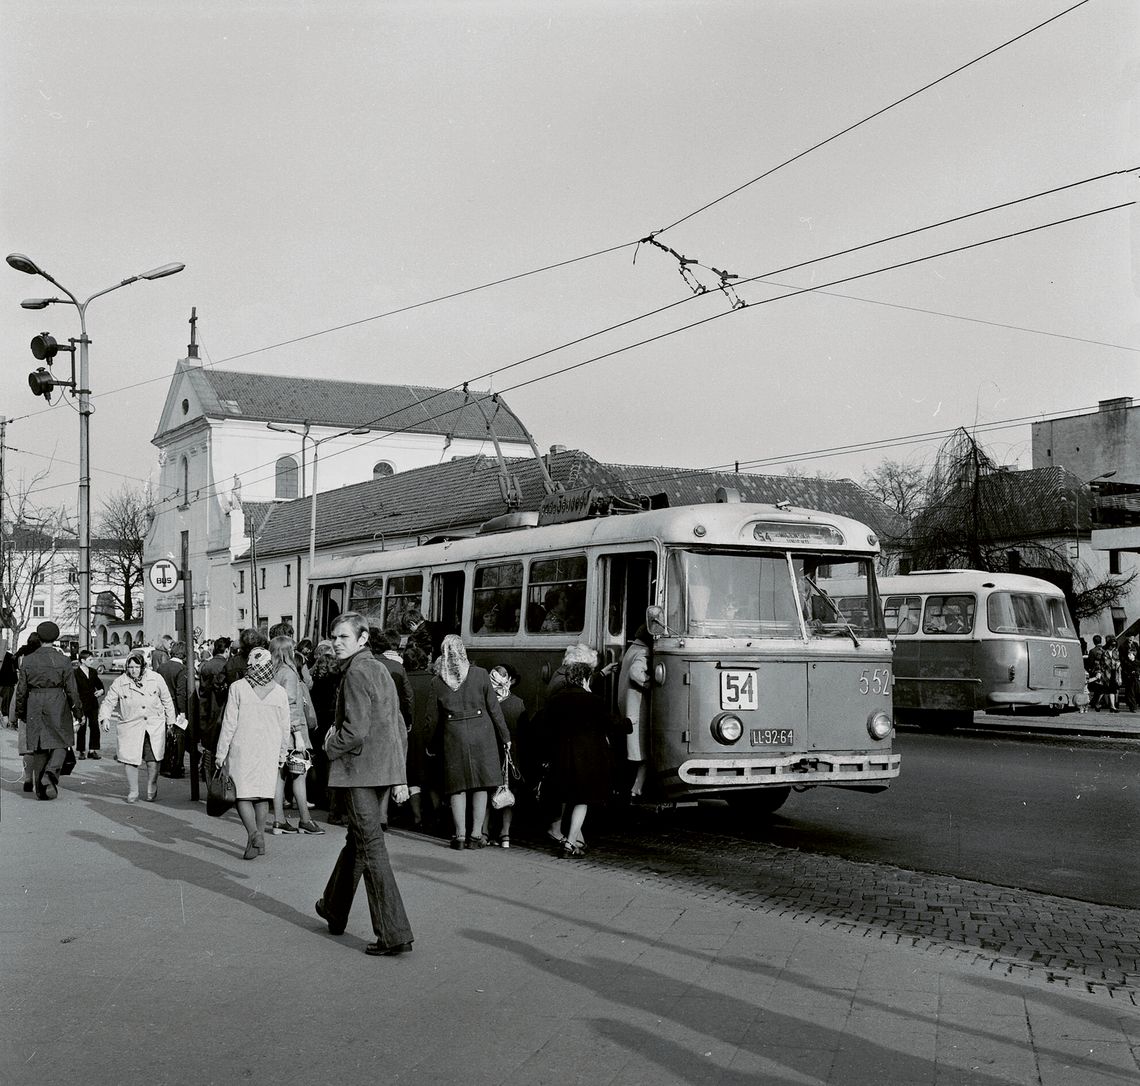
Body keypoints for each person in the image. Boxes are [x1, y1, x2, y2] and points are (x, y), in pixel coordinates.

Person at [316, 612, 414, 957]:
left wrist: (330, 745)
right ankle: (334, 906)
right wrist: (398, 773)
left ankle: (393, 932)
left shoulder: (356, 673)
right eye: (334, 636)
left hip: (360, 771)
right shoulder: (379, 669)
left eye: (344, 637)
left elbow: (354, 731)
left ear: (362, 639)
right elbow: (397, 723)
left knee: (370, 846)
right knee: (359, 842)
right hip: (382, 769)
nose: (336, 642)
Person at [432, 635, 509, 850]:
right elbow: (494, 709)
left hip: (453, 737)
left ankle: (459, 836)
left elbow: (433, 719)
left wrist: (432, 745)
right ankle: (475, 836)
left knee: (457, 787)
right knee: (480, 785)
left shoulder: (438, 681)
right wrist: (506, 737)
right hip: (481, 736)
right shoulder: (480, 674)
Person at [214, 646, 290, 860]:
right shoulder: (280, 692)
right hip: (270, 748)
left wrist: (221, 754)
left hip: (242, 747)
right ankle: (258, 841)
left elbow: (229, 723)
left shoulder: (238, 687)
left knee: (242, 794)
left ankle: (254, 834)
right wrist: (282, 754)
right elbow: (285, 727)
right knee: (262, 795)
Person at [542, 659, 613, 857]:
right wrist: (629, 723)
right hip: (585, 760)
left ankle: (575, 839)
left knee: (568, 797)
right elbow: (609, 725)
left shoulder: (556, 700)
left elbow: (545, 727)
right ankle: (570, 842)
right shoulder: (594, 701)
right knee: (582, 800)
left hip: (561, 758)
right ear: (585, 679)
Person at [16, 621, 84, 801]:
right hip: (57, 702)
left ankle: (41, 791)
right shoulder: (63, 660)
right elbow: (71, 689)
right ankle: (51, 773)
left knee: (38, 745)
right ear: (55, 637)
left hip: (35, 701)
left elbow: (21, 689)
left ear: (39, 637)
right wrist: (77, 710)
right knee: (63, 739)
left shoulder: (28, 660)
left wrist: (20, 712)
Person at [99, 649, 176, 803]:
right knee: (130, 758)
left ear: (143, 667)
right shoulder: (120, 682)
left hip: (153, 724)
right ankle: (133, 790)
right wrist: (105, 718)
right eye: (130, 667)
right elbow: (109, 702)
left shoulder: (156, 678)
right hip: (131, 725)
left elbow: (167, 700)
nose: (133, 670)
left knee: (153, 757)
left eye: (136, 667)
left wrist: (170, 722)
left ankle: (151, 785)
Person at [269, 634, 323, 835]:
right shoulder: (289, 674)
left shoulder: (272, 672)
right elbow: (291, 705)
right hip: (293, 733)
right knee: (300, 775)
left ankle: (278, 820)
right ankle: (305, 820)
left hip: (277, 731)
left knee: (280, 776)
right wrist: (298, 734)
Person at [481, 663, 528, 848]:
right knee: (507, 793)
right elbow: (524, 733)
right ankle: (505, 834)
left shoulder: (485, 702)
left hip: (489, 751)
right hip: (510, 754)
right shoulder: (518, 703)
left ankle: (483, 831)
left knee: (486, 792)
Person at [402, 642, 438, 831]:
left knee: (413, 778)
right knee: (431, 777)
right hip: (429, 735)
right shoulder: (434, 680)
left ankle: (417, 818)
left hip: (409, 735)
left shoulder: (402, 680)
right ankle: (436, 815)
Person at [617, 622, 655, 798]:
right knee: (644, 752)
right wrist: (651, 685)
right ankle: (637, 788)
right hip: (638, 710)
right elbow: (635, 673)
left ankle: (631, 787)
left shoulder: (632, 649)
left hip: (629, 707)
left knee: (635, 751)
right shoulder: (643, 651)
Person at [307, 639, 340, 812]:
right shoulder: (337, 681)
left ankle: (316, 795)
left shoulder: (314, 683)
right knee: (330, 762)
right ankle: (330, 798)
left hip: (317, 724)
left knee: (316, 761)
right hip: (331, 723)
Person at [157, 640, 190, 778]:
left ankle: (164, 765)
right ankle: (176, 766)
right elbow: (180, 692)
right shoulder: (182, 670)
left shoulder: (162, 668)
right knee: (178, 739)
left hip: (161, 706)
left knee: (165, 737)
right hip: (175, 707)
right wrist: (182, 711)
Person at [196, 637, 232, 763]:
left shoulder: (206, 665)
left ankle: (205, 767)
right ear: (227, 650)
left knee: (208, 745)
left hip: (205, 708)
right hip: (219, 709)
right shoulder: (226, 666)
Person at [73, 649, 105, 759]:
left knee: (95, 726)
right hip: (81, 704)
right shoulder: (75, 673)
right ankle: (82, 750)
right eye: (90, 659)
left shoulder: (93, 672)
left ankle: (92, 750)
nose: (92, 661)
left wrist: (101, 691)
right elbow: (73, 690)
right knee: (82, 726)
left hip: (92, 703)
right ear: (82, 660)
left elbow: (99, 685)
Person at [0, 643, 18, 727]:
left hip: (7, 683)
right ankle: (6, 719)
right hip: (8, 684)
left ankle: (5, 719)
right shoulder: (11, 657)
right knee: (6, 704)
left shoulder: (11, 657)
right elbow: (15, 670)